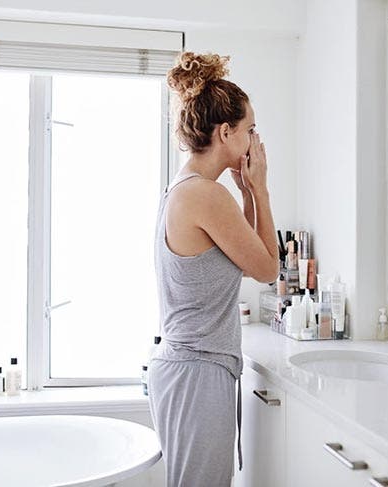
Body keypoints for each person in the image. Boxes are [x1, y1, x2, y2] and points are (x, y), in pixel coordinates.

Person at [148, 52, 279, 487]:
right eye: (250, 130)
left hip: (189, 367)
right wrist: (259, 188)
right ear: (226, 132)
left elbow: (243, 262)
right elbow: (268, 269)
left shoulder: (188, 188)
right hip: (197, 371)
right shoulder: (205, 194)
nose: (255, 140)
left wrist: (246, 192)